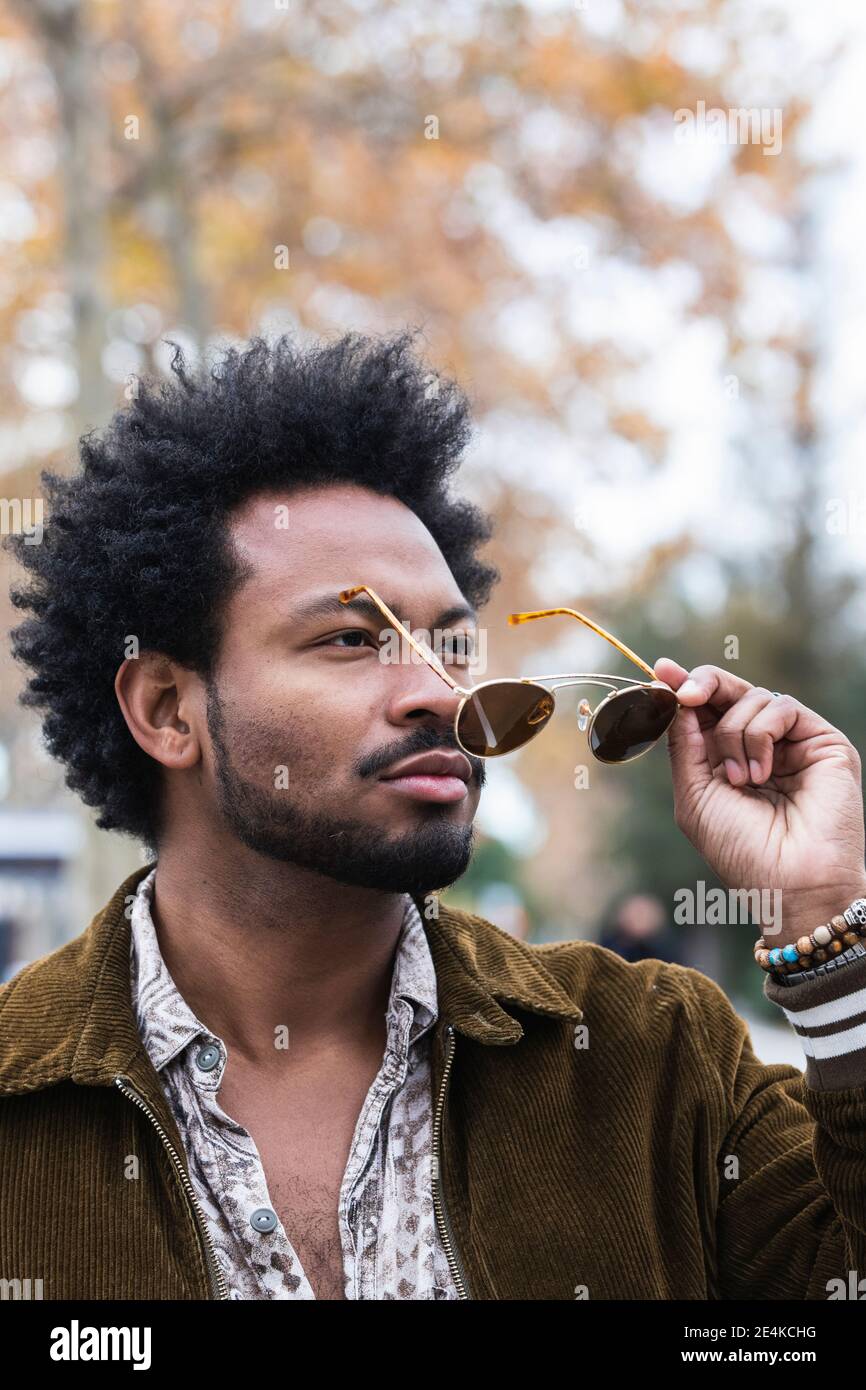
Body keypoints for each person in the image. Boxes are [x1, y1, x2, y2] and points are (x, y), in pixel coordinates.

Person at [1, 331, 865, 1301]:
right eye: (349, 638)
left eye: (452, 645)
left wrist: (825, 924)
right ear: (167, 709)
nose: (440, 694)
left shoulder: (652, 1060)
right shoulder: (19, 1099)